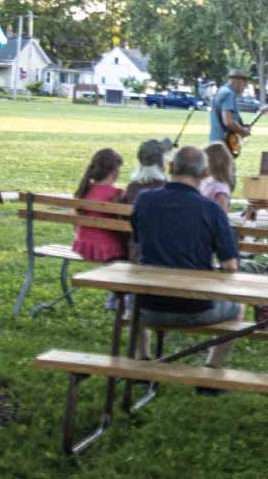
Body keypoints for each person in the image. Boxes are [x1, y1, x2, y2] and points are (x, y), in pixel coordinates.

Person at [128, 145, 241, 376]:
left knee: (130, 303)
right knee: (237, 309)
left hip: (146, 306)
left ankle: (143, 358)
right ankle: (212, 368)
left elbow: (138, 240)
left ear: (170, 167)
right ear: (204, 173)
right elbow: (230, 266)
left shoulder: (144, 200)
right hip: (195, 309)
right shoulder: (211, 209)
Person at [71, 148, 129, 263]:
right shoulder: (116, 194)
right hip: (107, 248)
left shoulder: (85, 190)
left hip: (85, 245)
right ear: (115, 171)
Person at [208, 72, 253, 174]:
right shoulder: (228, 94)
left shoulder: (221, 91)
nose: (244, 89)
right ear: (237, 81)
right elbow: (228, 121)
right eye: (244, 85)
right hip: (224, 145)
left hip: (216, 143)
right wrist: (243, 131)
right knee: (225, 179)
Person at [201, 142, 236, 213]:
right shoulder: (207, 181)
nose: (202, 165)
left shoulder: (220, 187)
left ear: (213, 164)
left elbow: (223, 214)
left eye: (205, 162)